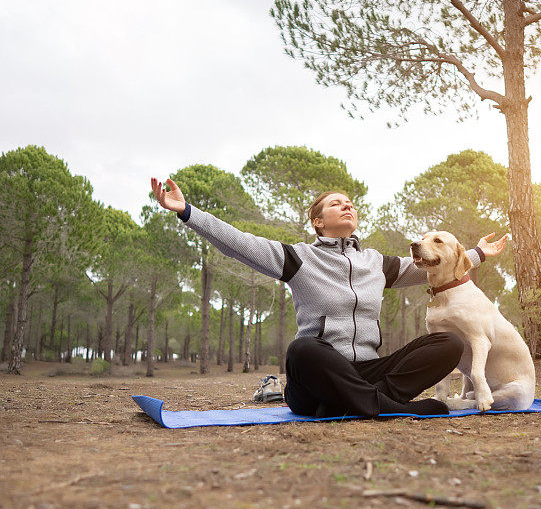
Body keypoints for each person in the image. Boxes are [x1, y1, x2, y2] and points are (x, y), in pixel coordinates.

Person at [150, 177, 508, 418]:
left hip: (367, 371)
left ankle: (363, 403)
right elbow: (239, 242)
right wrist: (187, 212)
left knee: (446, 343)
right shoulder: (298, 258)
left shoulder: (374, 264)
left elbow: (434, 263)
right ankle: (389, 406)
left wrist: (476, 252)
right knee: (301, 349)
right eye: (337, 204)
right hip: (317, 378)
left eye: (350, 203)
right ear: (319, 222)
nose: (348, 206)